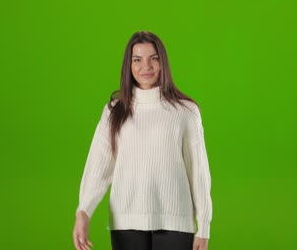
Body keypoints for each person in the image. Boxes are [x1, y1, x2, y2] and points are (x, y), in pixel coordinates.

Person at [73, 31, 212, 250]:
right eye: (137, 60)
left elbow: (199, 172)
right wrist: (83, 211)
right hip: (125, 221)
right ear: (128, 65)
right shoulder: (114, 111)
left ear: (162, 63)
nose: (145, 66)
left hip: (175, 222)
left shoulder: (186, 111)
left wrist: (203, 226)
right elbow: (98, 167)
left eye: (153, 58)